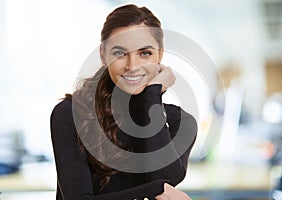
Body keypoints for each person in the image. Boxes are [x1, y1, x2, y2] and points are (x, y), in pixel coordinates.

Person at [50, 4, 197, 200]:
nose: (132, 66)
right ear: (103, 55)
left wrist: (152, 95)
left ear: (160, 55)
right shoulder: (70, 113)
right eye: (120, 53)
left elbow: (164, 178)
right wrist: (153, 190)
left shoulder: (181, 121)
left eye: (145, 53)